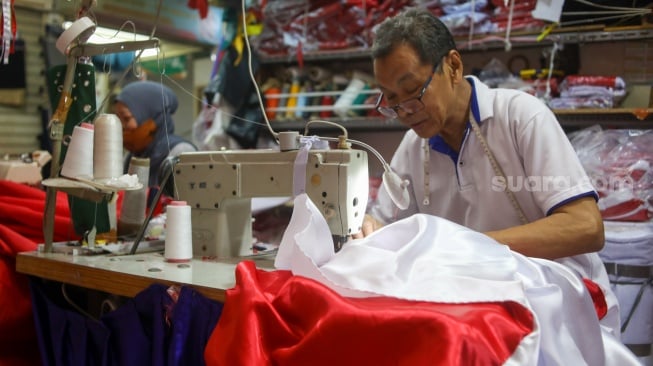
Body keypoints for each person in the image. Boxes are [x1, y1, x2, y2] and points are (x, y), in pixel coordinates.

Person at [360, 8, 621, 335]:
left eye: (413, 92)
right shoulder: (414, 147)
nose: (404, 112)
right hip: (480, 304)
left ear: (453, 66)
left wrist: (471, 246)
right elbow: (386, 225)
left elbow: (586, 227)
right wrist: (371, 228)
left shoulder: (520, 117)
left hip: (556, 304)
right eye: (393, 102)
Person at [113, 80, 197, 189]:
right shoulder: (131, 157)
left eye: (126, 118)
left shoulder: (181, 153)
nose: (120, 126)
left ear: (152, 119)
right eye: (117, 118)